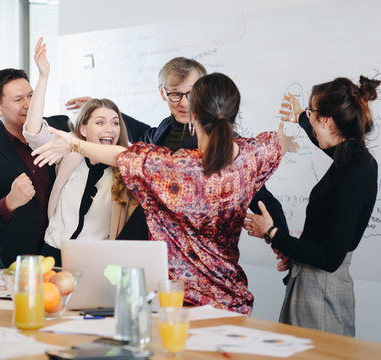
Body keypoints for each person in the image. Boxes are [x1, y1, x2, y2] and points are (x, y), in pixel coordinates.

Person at [32, 72, 292, 315]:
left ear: (194, 116)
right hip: (232, 302)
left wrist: (75, 143)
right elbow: (277, 144)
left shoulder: (178, 167)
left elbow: (120, 155)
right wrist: (297, 119)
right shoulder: (251, 156)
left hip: (181, 304)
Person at [67, 57, 290, 234]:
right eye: (175, 94)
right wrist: (100, 108)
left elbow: (261, 195)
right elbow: (143, 133)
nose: (183, 102)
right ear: (162, 92)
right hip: (149, 244)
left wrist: (280, 239)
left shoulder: (222, 144)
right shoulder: (164, 128)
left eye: (191, 93)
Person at [243, 76, 379, 336]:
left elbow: (329, 258)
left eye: (311, 113)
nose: (310, 120)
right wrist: (301, 119)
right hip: (311, 283)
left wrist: (272, 234)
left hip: (322, 293)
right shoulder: (355, 160)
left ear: (327, 120)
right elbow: (324, 143)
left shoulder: (354, 172)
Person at [23, 38, 147, 265]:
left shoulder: (126, 170)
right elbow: (33, 132)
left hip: (94, 263)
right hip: (51, 256)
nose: (110, 128)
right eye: (100, 122)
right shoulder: (70, 153)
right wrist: (43, 77)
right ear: (83, 128)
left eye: (115, 123)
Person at [0, 68, 71, 268]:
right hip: (16, 262)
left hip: (64, 255)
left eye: (31, 96)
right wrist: (10, 202)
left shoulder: (60, 128)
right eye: (18, 100)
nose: (28, 105)